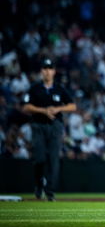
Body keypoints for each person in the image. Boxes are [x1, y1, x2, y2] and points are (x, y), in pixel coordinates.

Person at [22, 58, 77, 201]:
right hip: (38, 125)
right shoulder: (35, 88)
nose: (47, 72)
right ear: (41, 71)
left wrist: (58, 108)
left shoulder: (59, 88)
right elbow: (26, 106)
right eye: (45, 69)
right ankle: (39, 184)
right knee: (39, 158)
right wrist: (44, 110)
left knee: (53, 159)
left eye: (50, 69)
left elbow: (73, 106)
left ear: (53, 71)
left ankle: (50, 191)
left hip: (55, 127)